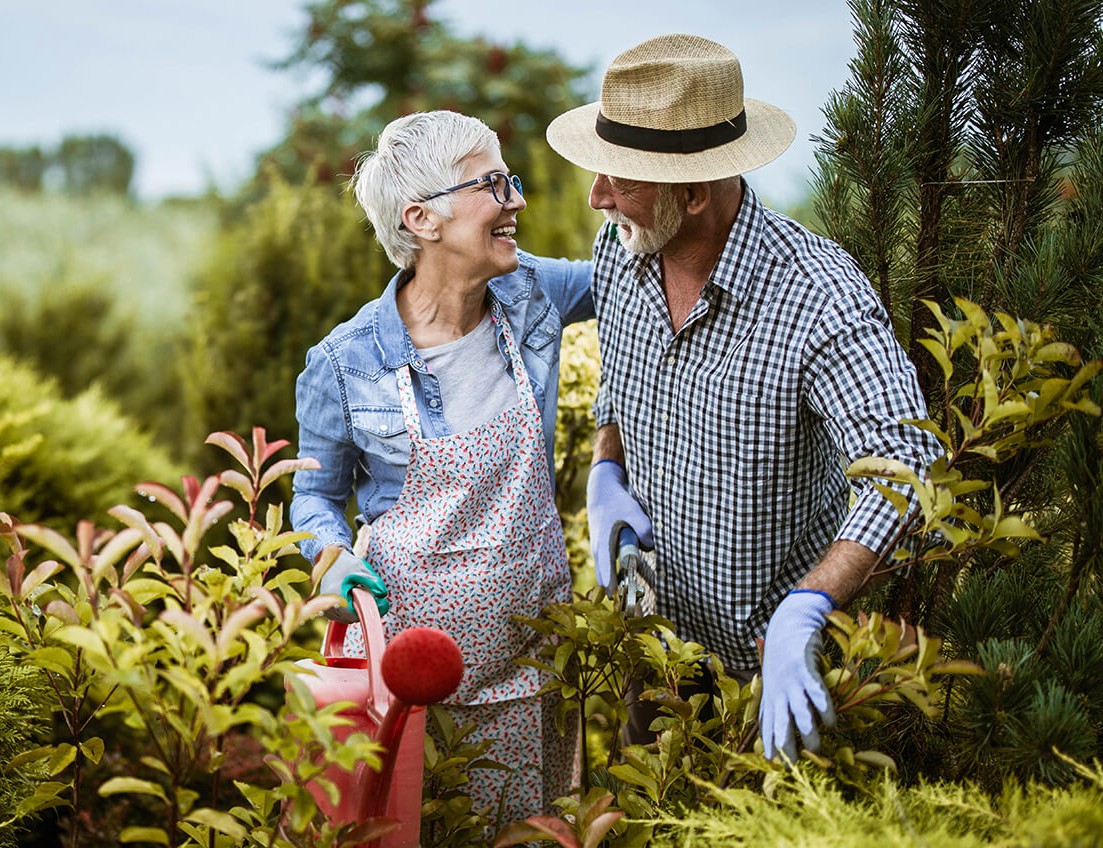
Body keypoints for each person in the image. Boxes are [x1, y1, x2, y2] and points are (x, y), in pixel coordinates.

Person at [544, 34, 942, 760]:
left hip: (773, 663)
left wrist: (809, 607)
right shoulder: (620, 249)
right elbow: (624, 382)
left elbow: (907, 462)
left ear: (693, 193)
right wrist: (607, 474)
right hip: (652, 632)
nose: (598, 197)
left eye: (620, 181)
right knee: (639, 813)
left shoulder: (817, 297)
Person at [289, 110, 591, 823]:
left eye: (510, 180)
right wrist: (329, 556)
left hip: (531, 663)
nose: (515, 199)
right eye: (492, 184)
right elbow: (313, 495)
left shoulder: (533, 294)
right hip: (407, 671)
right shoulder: (344, 362)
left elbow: (637, 268)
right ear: (421, 218)